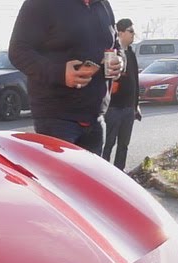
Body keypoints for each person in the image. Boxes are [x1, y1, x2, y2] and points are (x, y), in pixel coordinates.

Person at [9, 0, 121, 155]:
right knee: (58, 179)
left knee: (89, 179)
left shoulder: (103, 5)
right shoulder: (41, 4)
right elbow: (18, 51)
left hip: (96, 117)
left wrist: (120, 60)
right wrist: (60, 73)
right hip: (57, 118)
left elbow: (115, 44)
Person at [103, 18, 141, 169]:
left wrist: (136, 105)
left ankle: (120, 172)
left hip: (128, 109)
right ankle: (103, 173)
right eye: (131, 31)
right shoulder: (110, 54)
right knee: (108, 143)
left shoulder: (131, 54)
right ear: (120, 33)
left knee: (123, 144)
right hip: (113, 108)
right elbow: (106, 80)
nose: (133, 34)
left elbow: (135, 81)